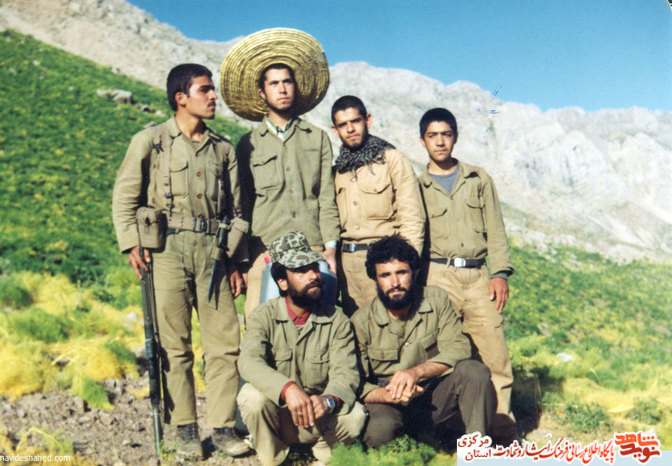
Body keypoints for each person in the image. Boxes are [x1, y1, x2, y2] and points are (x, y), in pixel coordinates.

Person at [112, 64, 249, 460]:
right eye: (205, 90)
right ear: (181, 98)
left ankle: (223, 428)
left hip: (215, 253)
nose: (213, 97)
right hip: (166, 251)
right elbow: (125, 197)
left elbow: (239, 211)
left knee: (225, 344)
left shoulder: (223, 149)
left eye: (213, 90)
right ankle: (186, 430)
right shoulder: (150, 141)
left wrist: (235, 259)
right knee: (174, 346)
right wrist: (132, 243)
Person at [220, 28, 340, 317]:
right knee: (259, 327)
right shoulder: (248, 144)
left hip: (312, 248)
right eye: (274, 83)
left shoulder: (317, 138)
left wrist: (331, 248)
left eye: (287, 82)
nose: (282, 89)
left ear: (295, 87)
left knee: (317, 328)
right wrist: (244, 260)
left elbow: (326, 196)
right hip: (265, 251)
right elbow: (243, 205)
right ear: (262, 93)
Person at [417, 107, 517, 444]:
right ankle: (447, 430)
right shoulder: (417, 185)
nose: (440, 141)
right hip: (436, 275)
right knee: (441, 354)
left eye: (446, 134)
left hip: (477, 277)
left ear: (455, 137)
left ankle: (503, 433)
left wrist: (499, 273)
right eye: (432, 135)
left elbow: (496, 229)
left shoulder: (478, 179)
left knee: (494, 354)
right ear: (422, 141)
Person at [350, 235, 496, 448]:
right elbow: (355, 382)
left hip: (432, 398)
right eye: (385, 275)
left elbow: (459, 347)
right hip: (388, 401)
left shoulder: (436, 299)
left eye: (401, 272)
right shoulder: (361, 322)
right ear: (376, 279)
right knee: (381, 430)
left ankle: (477, 452)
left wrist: (416, 372)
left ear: (414, 272)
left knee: (474, 372)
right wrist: (390, 395)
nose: (395, 283)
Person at [237, 231, 366, 465]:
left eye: (314, 268)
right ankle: (275, 458)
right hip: (281, 419)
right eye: (301, 271)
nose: (313, 276)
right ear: (282, 282)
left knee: (355, 415)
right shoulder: (262, 317)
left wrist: (328, 400)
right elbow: (249, 362)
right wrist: (287, 389)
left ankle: (324, 456)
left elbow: (346, 373)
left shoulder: (337, 321)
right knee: (251, 397)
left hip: (319, 420)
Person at [331, 95, 425, 315]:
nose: (350, 129)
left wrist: (407, 267)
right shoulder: (337, 171)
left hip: (387, 264)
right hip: (349, 271)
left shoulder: (393, 160)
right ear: (335, 130)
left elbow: (412, 218)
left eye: (355, 121)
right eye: (343, 125)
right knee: (356, 329)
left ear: (368, 120)